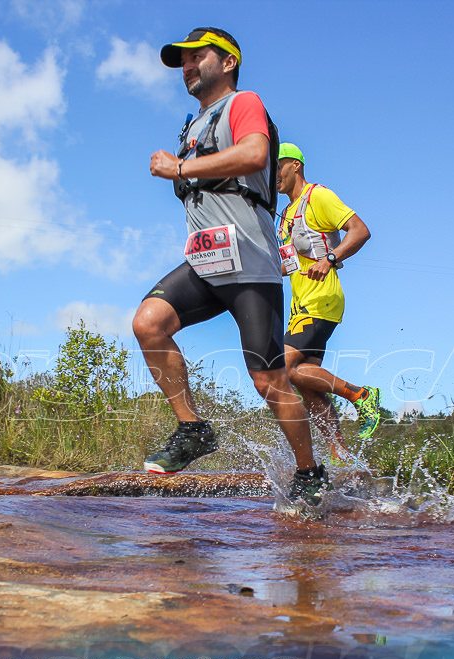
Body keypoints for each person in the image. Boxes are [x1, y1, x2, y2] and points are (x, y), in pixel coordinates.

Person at [132, 27, 332, 506]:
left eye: (196, 56)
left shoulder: (244, 103)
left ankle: (309, 473)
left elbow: (256, 154)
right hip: (204, 261)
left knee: (267, 379)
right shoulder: (194, 126)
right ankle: (193, 428)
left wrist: (179, 169)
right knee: (148, 323)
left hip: (249, 264)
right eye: (181, 61)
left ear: (227, 63)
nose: (186, 66)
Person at [276, 142, 381, 465]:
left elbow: (360, 231)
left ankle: (360, 395)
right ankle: (341, 456)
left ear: (295, 165)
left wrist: (332, 259)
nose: (272, 176)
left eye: (276, 167)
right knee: (308, 383)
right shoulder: (285, 217)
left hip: (322, 299)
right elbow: (289, 264)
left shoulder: (318, 197)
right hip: (300, 305)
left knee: (284, 368)